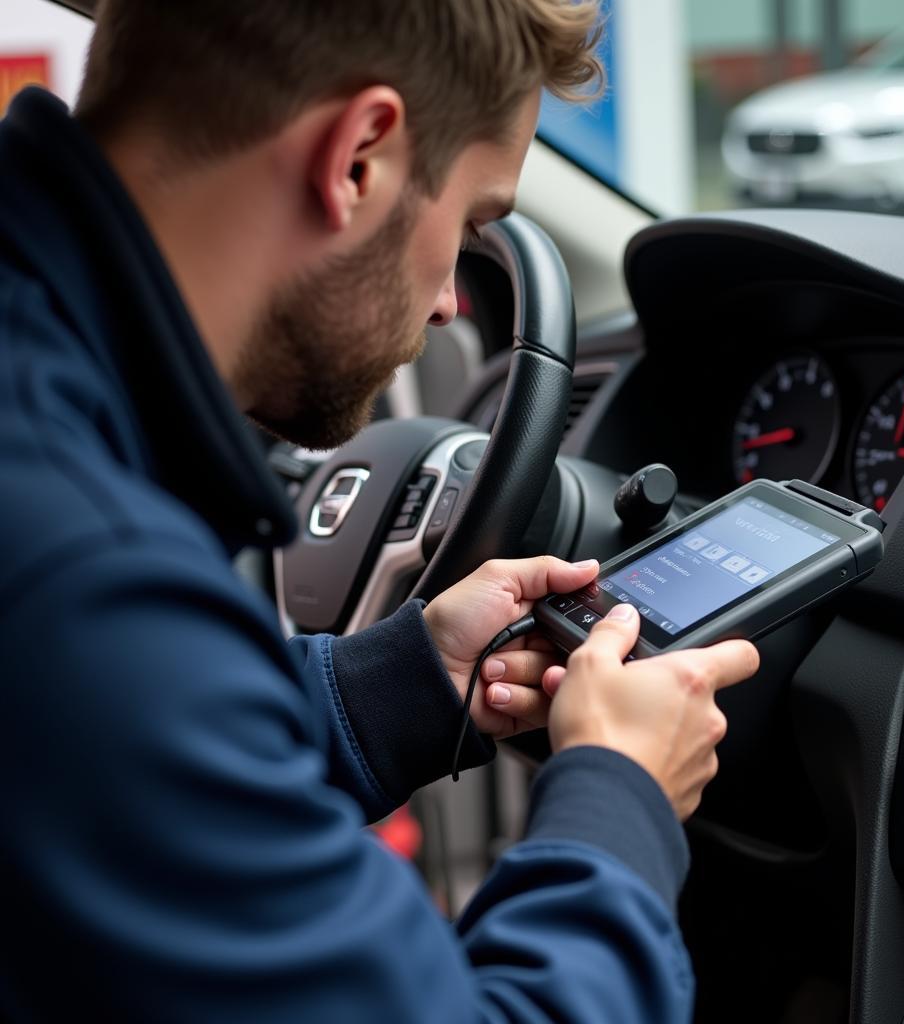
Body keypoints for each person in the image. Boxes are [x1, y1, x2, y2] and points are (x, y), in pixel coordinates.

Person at [0, 1, 760, 1020]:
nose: (452, 301)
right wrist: (618, 797)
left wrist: (396, 684)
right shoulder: (84, 587)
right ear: (358, 158)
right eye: (477, 220)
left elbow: (129, 759)